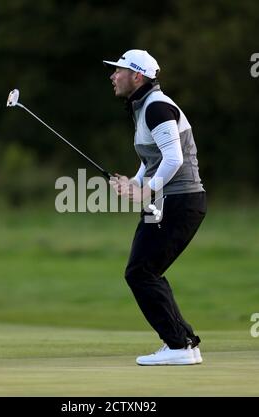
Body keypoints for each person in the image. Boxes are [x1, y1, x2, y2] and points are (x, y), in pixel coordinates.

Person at [103, 49, 207, 365]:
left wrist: (146, 189)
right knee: (144, 271)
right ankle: (183, 343)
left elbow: (174, 159)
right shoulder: (144, 107)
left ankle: (179, 346)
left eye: (118, 70)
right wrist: (135, 183)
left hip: (180, 200)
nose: (113, 76)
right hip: (168, 199)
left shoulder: (157, 107)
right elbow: (152, 159)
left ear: (138, 76)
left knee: (142, 271)